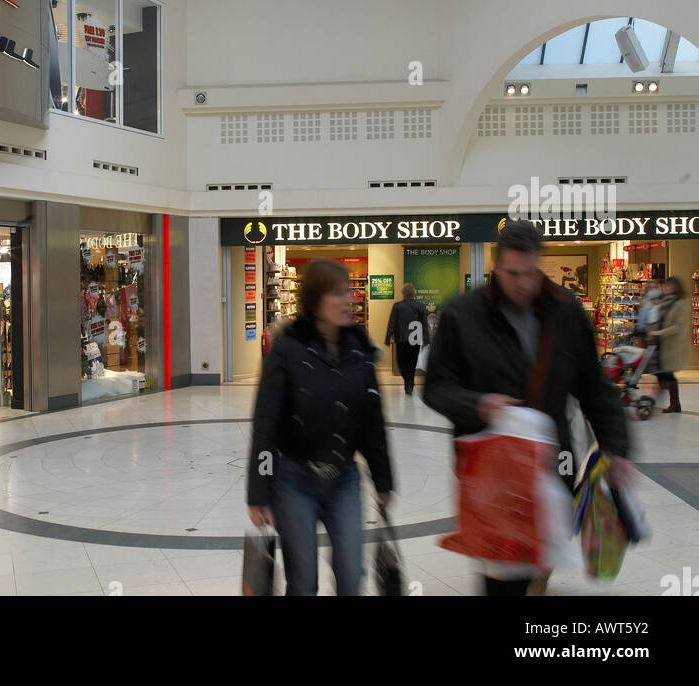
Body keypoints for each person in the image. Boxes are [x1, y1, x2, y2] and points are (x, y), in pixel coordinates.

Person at [424, 221, 632, 597]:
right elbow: (435, 389)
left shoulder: (566, 313)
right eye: (513, 274)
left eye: (531, 273)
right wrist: (480, 405)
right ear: (495, 267)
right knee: (502, 574)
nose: (523, 284)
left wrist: (617, 448)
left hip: (554, 461)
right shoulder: (462, 315)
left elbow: (595, 387)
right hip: (491, 469)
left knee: (540, 561)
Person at [247, 258, 394, 596]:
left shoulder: (360, 349)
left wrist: (384, 481)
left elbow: (373, 422)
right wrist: (258, 492)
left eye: (349, 293)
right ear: (315, 301)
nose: (350, 300)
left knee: (351, 572)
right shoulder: (287, 349)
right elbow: (265, 422)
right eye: (339, 294)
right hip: (294, 479)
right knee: (303, 580)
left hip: (344, 478)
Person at [384, 283, 430, 395]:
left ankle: (408, 381)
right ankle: (409, 381)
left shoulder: (397, 306)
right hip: (415, 338)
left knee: (401, 361)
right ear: (413, 293)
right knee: (412, 362)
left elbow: (392, 322)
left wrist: (388, 338)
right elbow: (424, 324)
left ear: (403, 293)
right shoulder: (420, 306)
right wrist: (426, 339)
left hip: (401, 338)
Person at [652, 277, 687, 414]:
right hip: (662, 343)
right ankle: (673, 403)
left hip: (671, 344)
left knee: (667, 373)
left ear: (675, 287)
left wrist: (661, 332)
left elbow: (678, 326)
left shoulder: (680, 303)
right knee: (663, 373)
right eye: (665, 286)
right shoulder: (664, 301)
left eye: (669, 286)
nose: (665, 288)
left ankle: (674, 403)